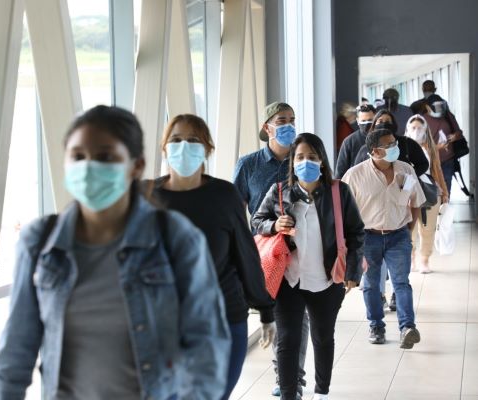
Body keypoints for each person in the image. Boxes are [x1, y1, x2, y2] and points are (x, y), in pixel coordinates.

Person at [0, 106, 231, 400]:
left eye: (105, 157)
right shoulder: (40, 243)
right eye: (78, 156)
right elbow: (15, 352)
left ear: (136, 166)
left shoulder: (174, 237)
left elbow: (206, 344)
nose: (89, 167)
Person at [152, 114, 276, 400]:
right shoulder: (147, 196)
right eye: (176, 140)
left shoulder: (223, 195)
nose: (184, 146)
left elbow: (244, 253)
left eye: (193, 140)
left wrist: (265, 308)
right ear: (164, 148)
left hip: (222, 319)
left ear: (207, 149)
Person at [252, 133, 364, 400]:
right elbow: (257, 221)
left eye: (312, 157)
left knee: (322, 338)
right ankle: (289, 395)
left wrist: (352, 272)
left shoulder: (339, 192)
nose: (306, 162)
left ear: (322, 161)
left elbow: (356, 232)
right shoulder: (280, 192)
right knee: (288, 341)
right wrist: (273, 224)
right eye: (300, 157)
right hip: (288, 280)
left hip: (327, 281)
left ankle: (321, 392)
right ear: (292, 163)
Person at [233, 102, 308, 398]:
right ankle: (285, 371)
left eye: (292, 119)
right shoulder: (248, 164)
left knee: (297, 317)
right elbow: (237, 210)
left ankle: (291, 377)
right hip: (265, 253)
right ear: (268, 127)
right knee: (277, 316)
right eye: (281, 120)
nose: (288, 124)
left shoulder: (302, 161)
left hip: (300, 252)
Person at [342, 128, 426, 349]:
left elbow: (416, 202)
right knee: (370, 285)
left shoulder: (405, 170)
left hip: (398, 235)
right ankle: (376, 325)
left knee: (402, 283)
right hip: (367, 238)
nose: (394, 148)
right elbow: (343, 212)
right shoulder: (355, 175)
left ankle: (407, 328)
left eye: (394, 143)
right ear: (375, 151)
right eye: (389, 145)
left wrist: (409, 231)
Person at [405, 115, 449, 273]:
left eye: (419, 128)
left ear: (425, 130)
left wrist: (444, 191)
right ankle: (410, 259)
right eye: (413, 128)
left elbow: (437, 170)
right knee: (408, 229)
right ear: (407, 129)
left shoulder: (430, 148)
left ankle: (425, 259)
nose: (416, 131)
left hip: (429, 190)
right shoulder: (403, 147)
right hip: (407, 192)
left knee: (428, 228)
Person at [353, 109, 430, 177]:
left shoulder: (407, 143)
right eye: (380, 121)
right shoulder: (365, 148)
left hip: (404, 190)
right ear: (374, 125)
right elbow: (357, 172)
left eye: (388, 121)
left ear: (393, 124)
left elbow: (423, 164)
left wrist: (409, 177)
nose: (384, 124)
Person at [422, 94, 465, 193]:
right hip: (430, 161)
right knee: (433, 191)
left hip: (447, 160)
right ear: (428, 107)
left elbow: (459, 132)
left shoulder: (447, 116)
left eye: (441, 106)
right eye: (437, 107)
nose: (439, 109)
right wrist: (437, 147)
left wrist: (454, 136)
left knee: (446, 189)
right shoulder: (421, 120)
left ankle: (444, 206)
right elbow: (419, 145)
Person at [335, 103, 376, 178]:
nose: (366, 124)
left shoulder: (384, 138)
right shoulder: (349, 141)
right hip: (356, 185)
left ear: (376, 119)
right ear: (357, 120)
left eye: (370, 120)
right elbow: (340, 171)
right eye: (363, 121)